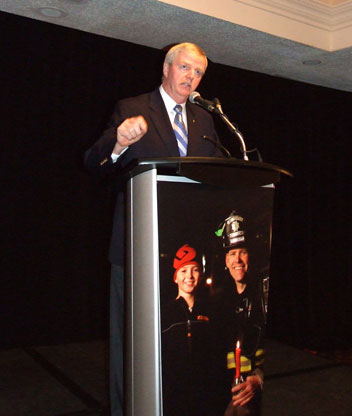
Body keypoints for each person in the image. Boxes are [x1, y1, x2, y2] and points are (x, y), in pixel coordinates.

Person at [84, 43, 222, 416]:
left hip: (186, 251)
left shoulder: (204, 121)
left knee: (177, 340)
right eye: (185, 68)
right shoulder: (132, 109)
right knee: (130, 345)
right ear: (166, 68)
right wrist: (118, 143)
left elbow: (217, 170)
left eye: (198, 73)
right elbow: (94, 163)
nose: (190, 77)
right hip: (137, 247)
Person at [212, 211, 267, 416]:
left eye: (242, 252)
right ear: (226, 261)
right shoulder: (219, 300)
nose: (238, 260)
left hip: (254, 393)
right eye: (232, 254)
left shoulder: (264, 293)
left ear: (250, 255)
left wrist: (260, 379)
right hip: (224, 391)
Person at [161, 244, 212, 416]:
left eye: (195, 270)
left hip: (204, 396)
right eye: (183, 271)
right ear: (175, 277)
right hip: (174, 397)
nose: (189, 276)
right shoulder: (164, 313)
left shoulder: (209, 311)